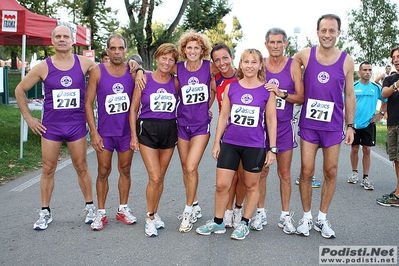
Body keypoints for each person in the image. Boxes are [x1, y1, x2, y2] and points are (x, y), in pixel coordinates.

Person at [15, 25, 97, 230]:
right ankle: (45, 212)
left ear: (72, 41)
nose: (62, 39)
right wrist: (29, 118)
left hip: (76, 125)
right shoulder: (44, 66)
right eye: (58, 36)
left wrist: (137, 68)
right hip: (51, 127)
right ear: (52, 41)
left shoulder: (85, 63)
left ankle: (90, 207)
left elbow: (112, 71)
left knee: (82, 167)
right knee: (48, 169)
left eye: (66, 37)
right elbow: (20, 90)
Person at [196, 48, 277, 240]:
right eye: (246, 61)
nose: (249, 65)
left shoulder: (267, 91)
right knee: (221, 184)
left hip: (255, 145)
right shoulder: (232, 88)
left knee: (251, 185)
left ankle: (245, 222)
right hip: (230, 143)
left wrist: (272, 149)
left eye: (253, 62)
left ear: (259, 65)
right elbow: (223, 116)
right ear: (240, 64)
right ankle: (218, 222)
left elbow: (272, 120)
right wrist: (217, 142)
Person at [293, 14, 356, 239]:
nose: (327, 34)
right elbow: (290, 64)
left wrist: (351, 126)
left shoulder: (347, 60)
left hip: (332, 126)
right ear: (317, 32)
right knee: (306, 171)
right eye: (323, 30)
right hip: (309, 125)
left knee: (330, 171)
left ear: (339, 33)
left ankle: (322, 218)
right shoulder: (305, 55)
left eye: (332, 30)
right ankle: (307, 217)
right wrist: (297, 87)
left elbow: (349, 95)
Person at [250, 28, 304, 234]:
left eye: (279, 42)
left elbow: (301, 97)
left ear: (285, 44)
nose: (275, 46)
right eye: (272, 42)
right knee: (262, 172)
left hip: (283, 127)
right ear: (266, 44)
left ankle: (285, 215)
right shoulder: (259, 64)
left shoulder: (293, 66)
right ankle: (261, 213)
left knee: (284, 174)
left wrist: (281, 94)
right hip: (260, 127)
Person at [85, 35, 137, 231]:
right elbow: (88, 103)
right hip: (105, 132)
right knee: (103, 171)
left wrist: (138, 68)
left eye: (120, 48)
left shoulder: (132, 72)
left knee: (125, 169)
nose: (117, 52)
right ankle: (100, 212)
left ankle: (123, 209)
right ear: (107, 50)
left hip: (125, 131)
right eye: (113, 48)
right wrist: (94, 132)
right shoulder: (97, 71)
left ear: (125, 50)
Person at [129, 43, 179, 237]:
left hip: (169, 129)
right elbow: (134, 109)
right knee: (155, 176)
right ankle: (150, 218)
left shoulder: (175, 82)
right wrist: (134, 136)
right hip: (147, 129)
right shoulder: (144, 79)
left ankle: (155, 212)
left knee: (160, 177)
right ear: (157, 58)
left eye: (171, 59)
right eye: (164, 58)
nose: (167, 62)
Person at [174, 30, 217, 233]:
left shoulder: (210, 67)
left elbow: (221, 83)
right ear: (184, 49)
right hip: (182, 123)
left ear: (202, 50)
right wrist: (137, 69)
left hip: (201, 125)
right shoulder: (177, 68)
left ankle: (188, 210)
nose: (192, 51)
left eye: (196, 48)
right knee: (185, 167)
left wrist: (209, 104)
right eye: (189, 47)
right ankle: (196, 203)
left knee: (191, 166)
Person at [210, 43, 246, 229]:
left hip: (248, 133)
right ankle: (228, 210)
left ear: (231, 57)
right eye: (217, 60)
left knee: (242, 177)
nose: (222, 63)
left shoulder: (243, 74)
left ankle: (239, 208)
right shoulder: (215, 80)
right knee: (229, 177)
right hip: (228, 134)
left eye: (225, 58)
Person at [347, 61, 387, 190]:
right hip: (354, 123)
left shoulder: (376, 88)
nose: (367, 72)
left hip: (369, 123)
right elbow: (345, 104)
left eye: (370, 70)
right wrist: (348, 123)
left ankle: (365, 177)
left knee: (367, 149)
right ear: (359, 72)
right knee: (354, 148)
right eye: (364, 70)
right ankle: (354, 173)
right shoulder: (353, 86)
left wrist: (380, 114)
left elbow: (386, 100)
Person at [377, 47, 399, 207]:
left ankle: (398, 195)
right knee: (396, 158)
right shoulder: (391, 79)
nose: (396, 60)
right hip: (393, 123)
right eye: (394, 57)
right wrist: (396, 85)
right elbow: (384, 93)